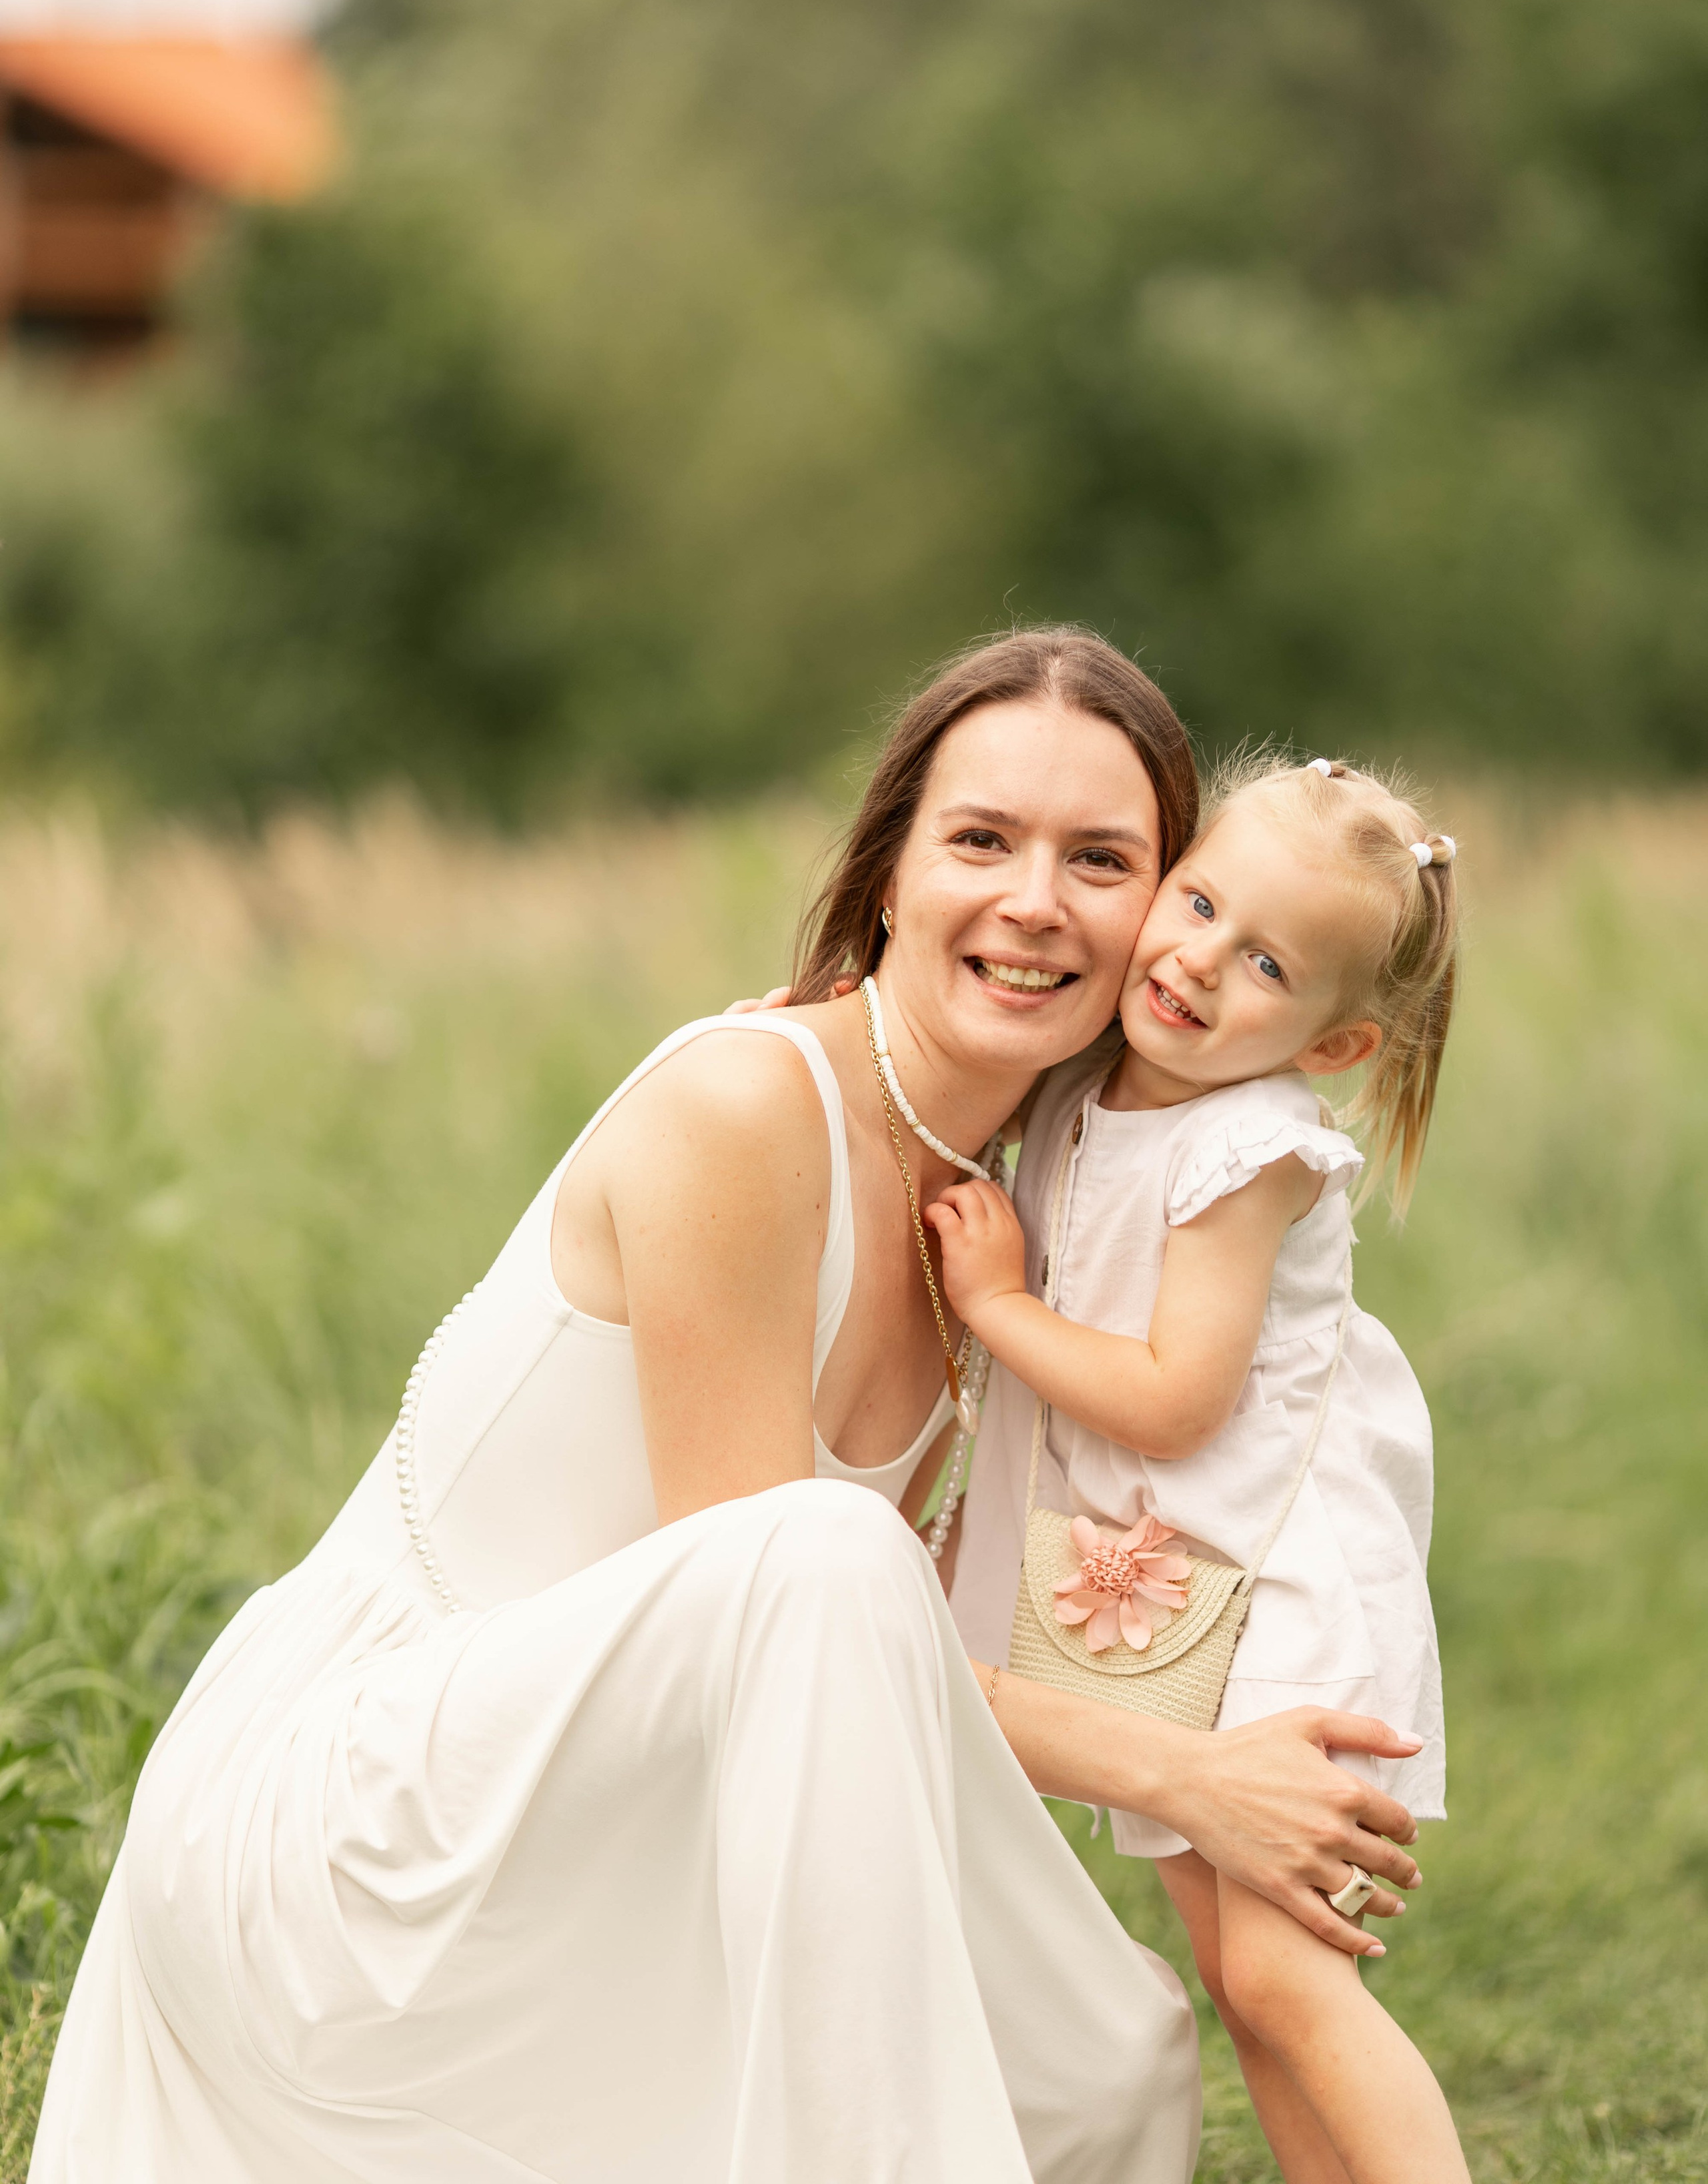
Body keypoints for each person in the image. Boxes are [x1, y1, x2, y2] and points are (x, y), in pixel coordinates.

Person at [31, 635, 1425, 2184]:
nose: (1034, 900)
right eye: (978, 841)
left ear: (1155, 912)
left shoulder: (1031, 1186)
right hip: (375, 1811)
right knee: (822, 1557)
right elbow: (785, 1631)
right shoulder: (746, 1109)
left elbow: (1243, 1369)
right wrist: (1179, 1775)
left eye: (1099, 860)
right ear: (887, 874)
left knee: (1100, 2058)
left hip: (620, 1794)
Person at [936, 752, 1466, 2183]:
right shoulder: (1091, 1079)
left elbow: (1175, 1400)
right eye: (1197, 903)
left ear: (1331, 1046)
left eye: (1265, 962)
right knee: (1244, 1987)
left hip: (1286, 1590)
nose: (1195, 963)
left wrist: (998, 1311)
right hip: (1176, 1602)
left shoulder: (1247, 1146)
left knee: (1293, 1982)